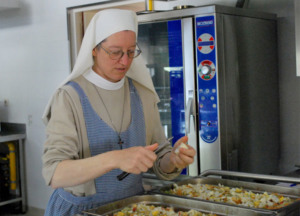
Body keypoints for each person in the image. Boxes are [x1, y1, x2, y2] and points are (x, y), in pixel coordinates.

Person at [42, 9, 196, 216]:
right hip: (81, 210)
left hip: (132, 207)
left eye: (131, 52)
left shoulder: (143, 95)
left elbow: (159, 157)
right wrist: (114, 159)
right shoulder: (69, 97)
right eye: (115, 52)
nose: (124, 61)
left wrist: (173, 160)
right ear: (94, 49)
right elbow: (55, 174)